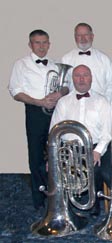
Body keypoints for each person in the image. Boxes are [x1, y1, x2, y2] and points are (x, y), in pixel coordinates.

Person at [8, 29, 69, 211]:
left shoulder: (56, 64)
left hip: (55, 112)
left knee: (56, 153)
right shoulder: (21, 64)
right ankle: (39, 199)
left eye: (45, 43)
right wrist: (39, 101)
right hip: (35, 112)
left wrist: (58, 93)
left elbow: (66, 87)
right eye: (37, 43)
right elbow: (15, 91)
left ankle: (57, 193)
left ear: (49, 44)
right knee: (36, 156)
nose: (41, 46)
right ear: (30, 45)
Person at [50, 65, 112, 217]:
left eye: (85, 75)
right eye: (78, 76)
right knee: (49, 169)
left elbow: (107, 132)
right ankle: (65, 205)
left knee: (97, 169)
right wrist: (53, 155)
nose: (82, 79)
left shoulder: (102, 101)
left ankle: (94, 204)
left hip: (94, 146)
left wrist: (97, 152)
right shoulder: (63, 102)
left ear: (91, 78)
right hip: (68, 148)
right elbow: (54, 131)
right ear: (73, 79)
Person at [62, 22, 112, 101]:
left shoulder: (104, 59)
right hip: (74, 105)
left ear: (92, 36)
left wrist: (106, 102)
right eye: (79, 35)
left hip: (99, 105)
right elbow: (64, 85)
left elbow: (111, 84)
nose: (83, 38)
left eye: (86, 35)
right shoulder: (66, 59)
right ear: (75, 37)